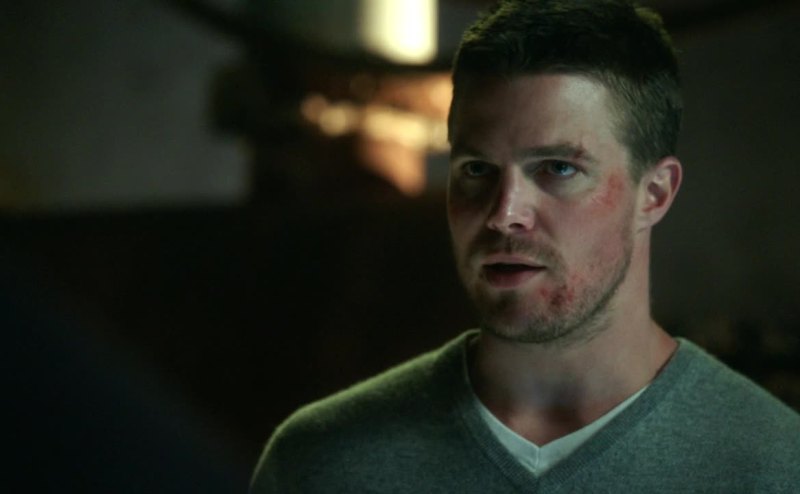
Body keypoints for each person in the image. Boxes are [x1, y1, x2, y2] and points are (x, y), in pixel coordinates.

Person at [250, 0, 800, 491]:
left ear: (654, 193)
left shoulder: (771, 467)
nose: (503, 213)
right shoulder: (323, 464)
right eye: (476, 169)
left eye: (558, 168)